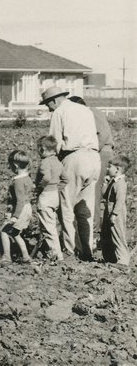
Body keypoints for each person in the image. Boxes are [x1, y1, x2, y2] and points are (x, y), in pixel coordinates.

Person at [43, 86, 100, 260]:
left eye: (48, 104)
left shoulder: (59, 112)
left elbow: (53, 143)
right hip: (94, 157)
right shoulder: (85, 110)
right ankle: (87, 250)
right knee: (84, 208)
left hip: (74, 157)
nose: (48, 109)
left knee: (66, 207)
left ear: (54, 100)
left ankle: (71, 250)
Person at [70, 96, 115, 228]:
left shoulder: (92, 112)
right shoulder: (86, 114)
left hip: (101, 153)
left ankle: (94, 227)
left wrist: (91, 152)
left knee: (95, 190)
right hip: (96, 153)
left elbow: (103, 134)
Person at [0, 150, 34, 264]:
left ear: (15, 165)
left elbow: (20, 201)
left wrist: (15, 216)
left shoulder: (18, 181)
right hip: (26, 208)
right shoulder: (27, 178)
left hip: (20, 210)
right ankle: (26, 257)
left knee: (4, 231)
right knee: (15, 233)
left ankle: (6, 257)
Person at [35, 136, 64, 261]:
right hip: (55, 195)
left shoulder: (45, 162)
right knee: (52, 224)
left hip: (46, 195)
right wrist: (57, 188)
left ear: (42, 148)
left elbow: (46, 177)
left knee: (48, 227)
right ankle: (52, 251)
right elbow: (66, 179)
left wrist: (39, 187)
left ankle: (56, 255)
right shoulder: (58, 162)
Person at [101, 156, 130, 265]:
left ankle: (123, 260)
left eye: (110, 167)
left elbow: (120, 201)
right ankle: (110, 258)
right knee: (107, 234)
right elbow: (105, 195)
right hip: (110, 212)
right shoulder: (113, 182)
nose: (107, 169)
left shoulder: (120, 183)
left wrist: (114, 214)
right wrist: (105, 184)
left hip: (116, 213)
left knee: (118, 234)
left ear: (117, 169)